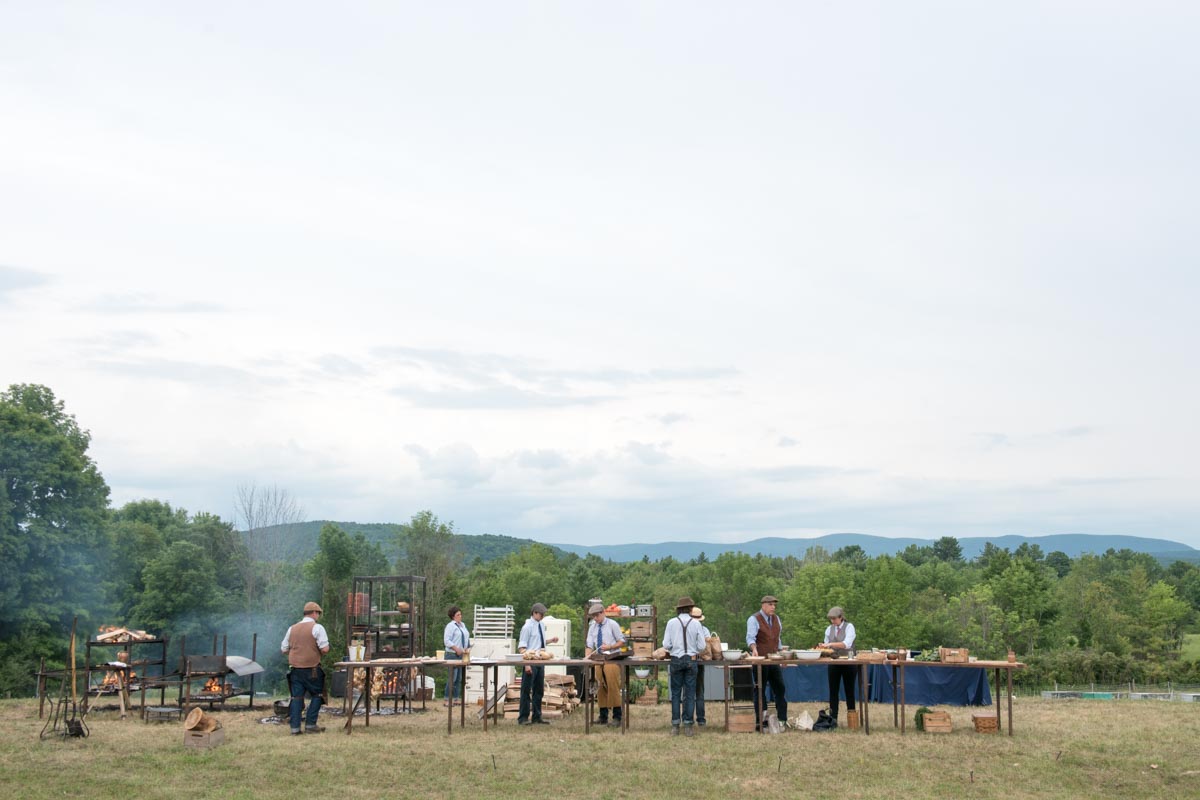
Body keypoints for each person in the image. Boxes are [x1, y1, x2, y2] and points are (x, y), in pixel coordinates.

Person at [280, 600, 330, 735]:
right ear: (314, 613)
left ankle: (295, 728)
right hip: (312, 669)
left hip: (295, 669)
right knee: (318, 695)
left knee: (296, 697)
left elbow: (284, 649)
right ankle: (310, 725)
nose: (318, 616)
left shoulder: (292, 628)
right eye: (318, 613)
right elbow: (325, 649)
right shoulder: (317, 628)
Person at [662, 596, 707, 736]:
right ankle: (688, 725)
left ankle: (675, 725)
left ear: (678, 609)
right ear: (690, 609)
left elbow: (666, 645)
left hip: (675, 659)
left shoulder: (671, 623)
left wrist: (675, 647)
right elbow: (702, 646)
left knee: (675, 693)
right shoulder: (696, 624)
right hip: (691, 660)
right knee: (689, 693)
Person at [747, 594, 788, 730]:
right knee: (760, 690)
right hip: (760, 660)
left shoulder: (776, 619)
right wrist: (754, 649)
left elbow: (778, 639)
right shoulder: (754, 619)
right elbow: (750, 638)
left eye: (774, 605)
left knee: (780, 688)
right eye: (770, 605)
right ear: (763, 605)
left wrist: (782, 655)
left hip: (774, 659)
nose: (773, 607)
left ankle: (782, 719)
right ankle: (761, 721)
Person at [516, 602, 559, 725]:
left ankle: (537, 716)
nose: (543, 616)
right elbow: (522, 647)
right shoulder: (527, 627)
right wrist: (527, 664)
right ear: (534, 613)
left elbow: (538, 642)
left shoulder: (541, 625)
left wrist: (550, 641)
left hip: (540, 661)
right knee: (526, 690)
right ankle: (523, 717)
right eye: (541, 614)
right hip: (530, 661)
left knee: (538, 690)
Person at [585, 603, 626, 727]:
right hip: (598, 659)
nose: (595, 619)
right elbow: (589, 645)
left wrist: (610, 646)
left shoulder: (612, 624)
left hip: (611, 658)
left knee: (612, 685)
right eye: (593, 617)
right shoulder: (592, 627)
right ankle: (603, 716)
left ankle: (617, 716)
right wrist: (587, 657)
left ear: (603, 613)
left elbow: (622, 641)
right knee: (599, 685)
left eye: (597, 616)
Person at [818, 606, 858, 726]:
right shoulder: (829, 629)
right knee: (833, 691)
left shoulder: (849, 627)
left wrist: (829, 644)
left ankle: (852, 720)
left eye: (834, 619)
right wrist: (823, 646)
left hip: (849, 662)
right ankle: (832, 720)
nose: (833, 621)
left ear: (841, 618)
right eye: (831, 619)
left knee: (849, 690)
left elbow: (846, 644)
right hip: (834, 661)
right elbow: (826, 644)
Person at [443, 605, 471, 707]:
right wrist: (456, 649)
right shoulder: (450, 626)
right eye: (458, 614)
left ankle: (456, 698)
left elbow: (466, 638)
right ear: (453, 616)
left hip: (462, 654)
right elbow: (447, 641)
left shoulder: (462, 625)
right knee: (452, 677)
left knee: (459, 678)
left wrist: (467, 647)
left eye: (460, 614)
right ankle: (447, 699)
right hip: (452, 654)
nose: (460, 616)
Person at [690, 606, 710, 727]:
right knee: (699, 692)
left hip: (688, 660)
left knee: (688, 692)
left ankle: (688, 719)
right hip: (699, 661)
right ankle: (701, 719)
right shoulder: (704, 629)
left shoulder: (685, 629)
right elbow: (705, 645)